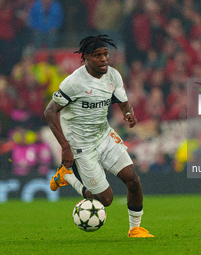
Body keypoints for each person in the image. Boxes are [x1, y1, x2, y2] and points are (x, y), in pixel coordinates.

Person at [44, 35, 154, 238]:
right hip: (81, 145)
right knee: (105, 199)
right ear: (86, 57)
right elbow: (50, 112)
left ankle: (135, 229)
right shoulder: (74, 83)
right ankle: (66, 175)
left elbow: (123, 101)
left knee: (133, 180)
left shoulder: (113, 76)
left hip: (103, 136)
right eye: (97, 55)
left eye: (106, 54)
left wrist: (128, 113)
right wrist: (65, 146)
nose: (104, 59)